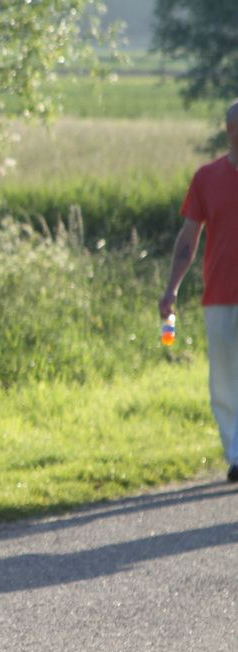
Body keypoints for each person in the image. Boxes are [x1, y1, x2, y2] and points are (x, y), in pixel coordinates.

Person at [160, 100, 238, 483]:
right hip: (219, 294)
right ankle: (235, 456)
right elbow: (188, 238)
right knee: (223, 380)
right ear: (231, 131)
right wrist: (171, 289)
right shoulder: (206, 178)